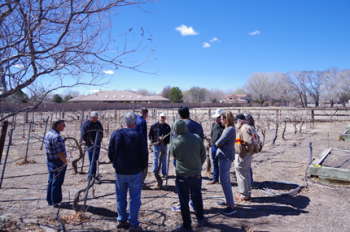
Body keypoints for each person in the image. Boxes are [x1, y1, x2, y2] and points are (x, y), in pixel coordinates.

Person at [108, 112, 148, 231]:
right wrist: (143, 168)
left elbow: (110, 153)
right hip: (135, 172)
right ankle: (133, 223)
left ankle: (121, 220)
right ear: (135, 122)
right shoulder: (138, 136)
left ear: (124, 121)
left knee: (120, 196)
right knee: (134, 198)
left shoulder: (116, 134)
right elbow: (144, 155)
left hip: (120, 172)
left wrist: (116, 164)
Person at [170, 119, 207, 232]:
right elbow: (203, 154)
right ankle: (200, 218)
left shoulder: (175, 142)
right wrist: (198, 166)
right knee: (197, 196)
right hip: (196, 174)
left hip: (182, 176)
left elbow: (174, 156)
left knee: (184, 201)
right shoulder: (196, 137)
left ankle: (187, 226)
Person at [172, 105, 204, 212]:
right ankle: (195, 206)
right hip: (196, 161)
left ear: (180, 115)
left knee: (184, 188)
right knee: (196, 189)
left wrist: (176, 162)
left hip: (184, 162)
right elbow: (202, 145)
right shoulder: (198, 125)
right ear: (189, 113)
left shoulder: (180, 126)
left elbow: (176, 146)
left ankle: (184, 205)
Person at [215, 111, 237, 215]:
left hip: (225, 158)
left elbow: (218, 142)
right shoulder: (229, 129)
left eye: (222, 118)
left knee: (225, 181)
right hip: (225, 157)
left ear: (226, 120)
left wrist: (219, 143)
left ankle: (231, 206)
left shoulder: (229, 130)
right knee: (226, 180)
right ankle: (228, 201)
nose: (220, 120)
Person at [44, 119, 67, 208]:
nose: (64, 126)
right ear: (58, 125)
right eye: (63, 125)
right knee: (57, 182)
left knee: (51, 181)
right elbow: (60, 152)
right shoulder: (56, 137)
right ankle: (55, 201)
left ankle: (49, 200)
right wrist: (65, 162)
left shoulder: (48, 134)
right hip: (58, 162)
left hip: (50, 161)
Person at [234, 114, 256, 201]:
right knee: (245, 173)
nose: (235, 124)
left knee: (241, 173)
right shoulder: (248, 127)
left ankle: (244, 195)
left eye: (236, 122)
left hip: (243, 155)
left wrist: (247, 151)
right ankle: (246, 192)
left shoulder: (244, 128)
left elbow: (249, 142)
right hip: (246, 154)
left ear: (240, 121)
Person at [81, 111, 104, 184]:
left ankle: (93, 175)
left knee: (96, 160)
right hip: (90, 144)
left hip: (97, 143)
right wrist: (90, 142)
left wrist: (100, 140)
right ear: (90, 117)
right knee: (92, 160)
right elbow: (84, 135)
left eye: (97, 118)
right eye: (94, 118)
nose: (96, 119)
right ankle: (91, 176)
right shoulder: (86, 124)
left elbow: (101, 131)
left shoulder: (98, 123)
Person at [148, 113, 171, 177]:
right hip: (156, 145)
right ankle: (155, 172)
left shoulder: (167, 126)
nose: (162, 119)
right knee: (155, 159)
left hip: (164, 145)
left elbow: (169, 135)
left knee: (164, 159)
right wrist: (153, 142)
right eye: (161, 117)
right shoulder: (154, 126)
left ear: (165, 118)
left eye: (163, 117)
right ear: (159, 117)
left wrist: (167, 142)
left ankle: (164, 173)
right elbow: (150, 135)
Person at [208, 109, 225, 185]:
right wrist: (211, 142)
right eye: (216, 117)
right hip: (214, 146)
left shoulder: (223, 126)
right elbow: (212, 133)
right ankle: (215, 179)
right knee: (214, 163)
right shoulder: (213, 124)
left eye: (218, 117)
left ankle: (222, 179)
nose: (216, 119)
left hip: (221, 147)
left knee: (221, 163)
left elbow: (223, 135)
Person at [134, 107, 149, 190]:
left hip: (134, 145)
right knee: (144, 164)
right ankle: (141, 182)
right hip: (140, 145)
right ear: (145, 114)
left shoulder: (135, 120)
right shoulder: (143, 121)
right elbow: (143, 135)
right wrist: (145, 147)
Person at [244, 113, 256, 188]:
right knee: (248, 166)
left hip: (248, 150)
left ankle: (250, 182)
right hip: (251, 149)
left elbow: (249, 140)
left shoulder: (248, 128)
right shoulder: (252, 127)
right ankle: (250, 182)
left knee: (247, 167)